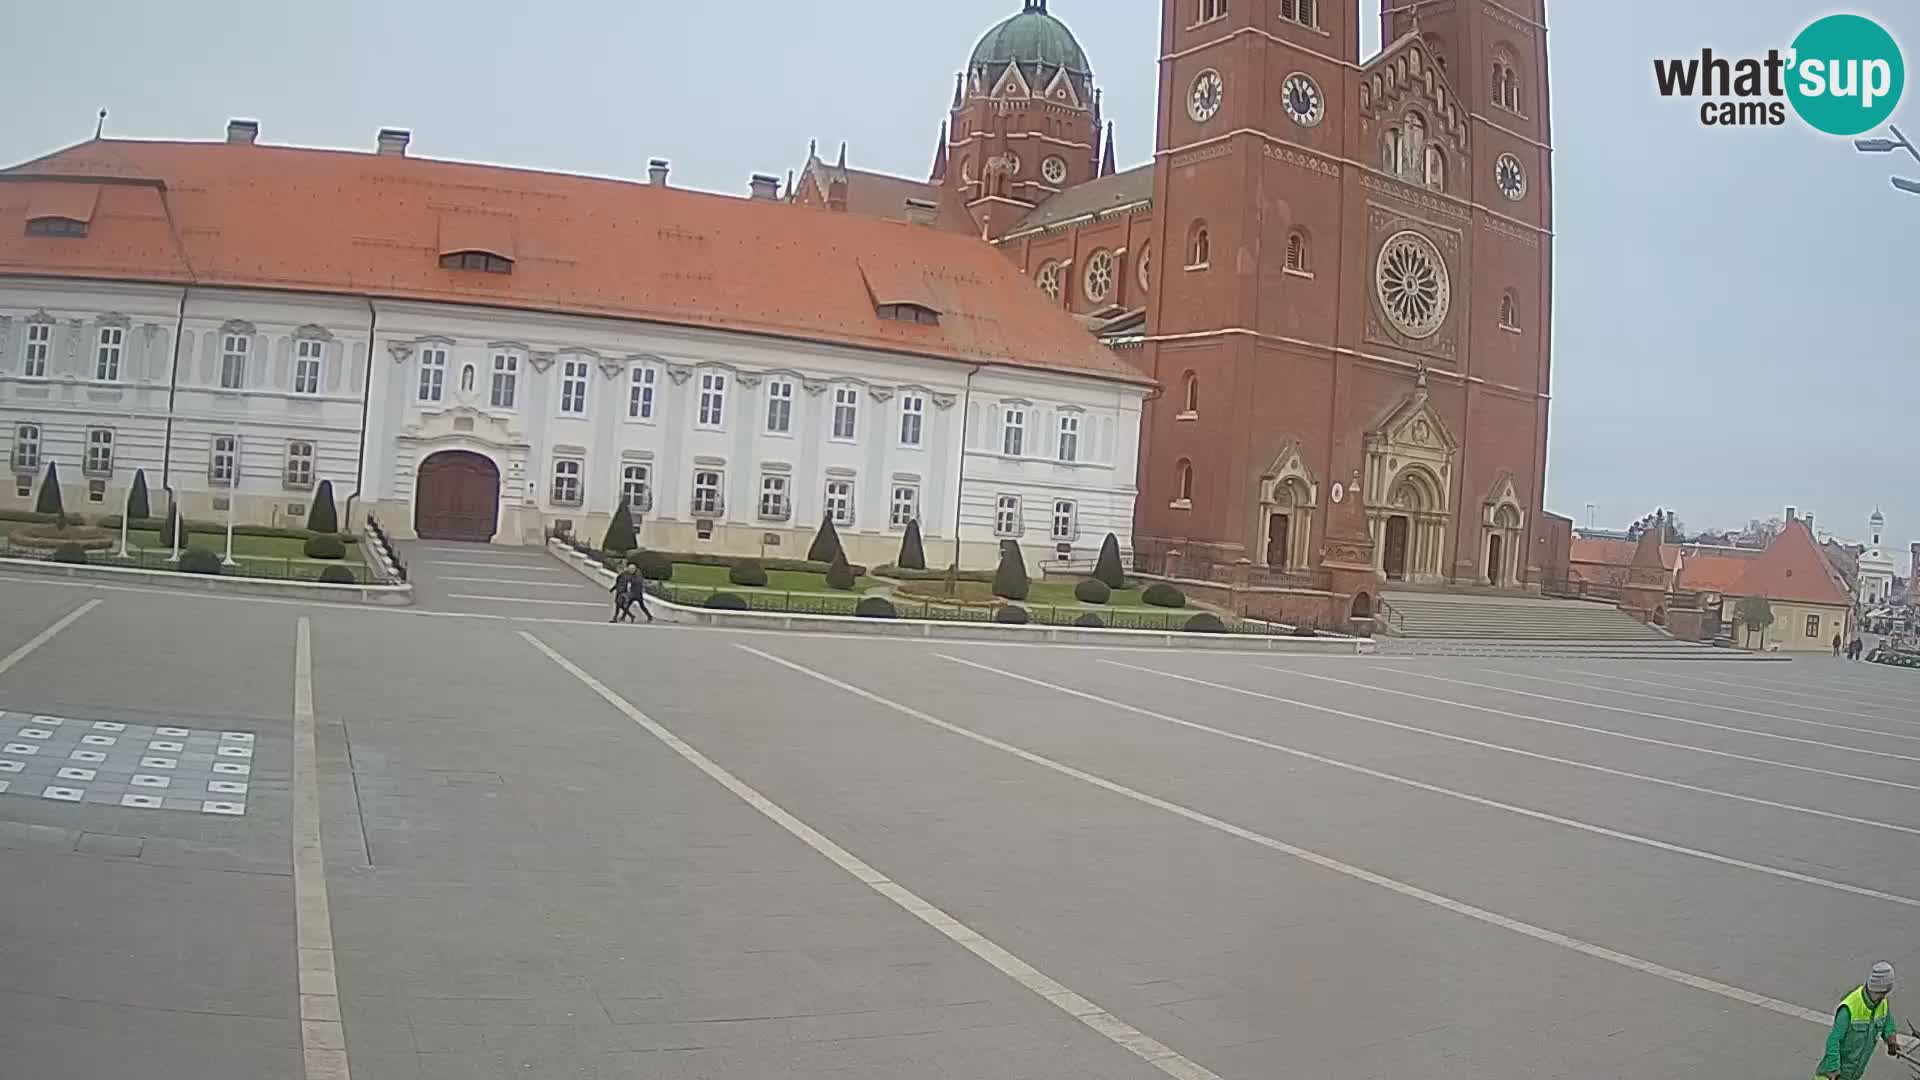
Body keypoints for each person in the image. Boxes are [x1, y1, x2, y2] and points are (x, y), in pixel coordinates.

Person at [1815, 962, 1902, 1080]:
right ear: (1880, 989)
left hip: (1854, 1075)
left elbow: (1886, 1020)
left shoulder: (1882, 1003)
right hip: (1832, 1076)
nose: (1885, 996)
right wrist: (1833, 1069)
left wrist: (1890, 1038)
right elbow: (1833, 1041)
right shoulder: (1849, 1008)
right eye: (1884, 993)